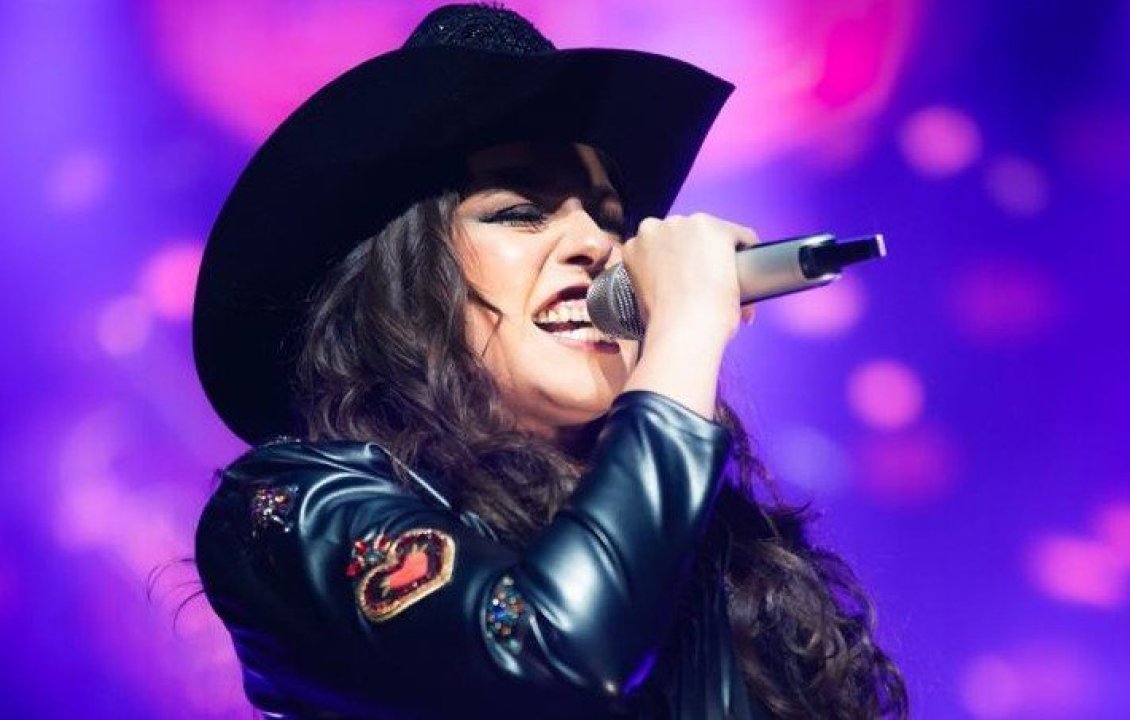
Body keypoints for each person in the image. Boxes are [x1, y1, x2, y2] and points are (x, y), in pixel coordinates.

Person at [192, 4, 907, 719]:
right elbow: (552, 654)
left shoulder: (714, 553)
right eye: (519, 212)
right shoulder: (296, 509)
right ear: (400, 286)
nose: (598, 246)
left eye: (610, 218)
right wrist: (684, 332)